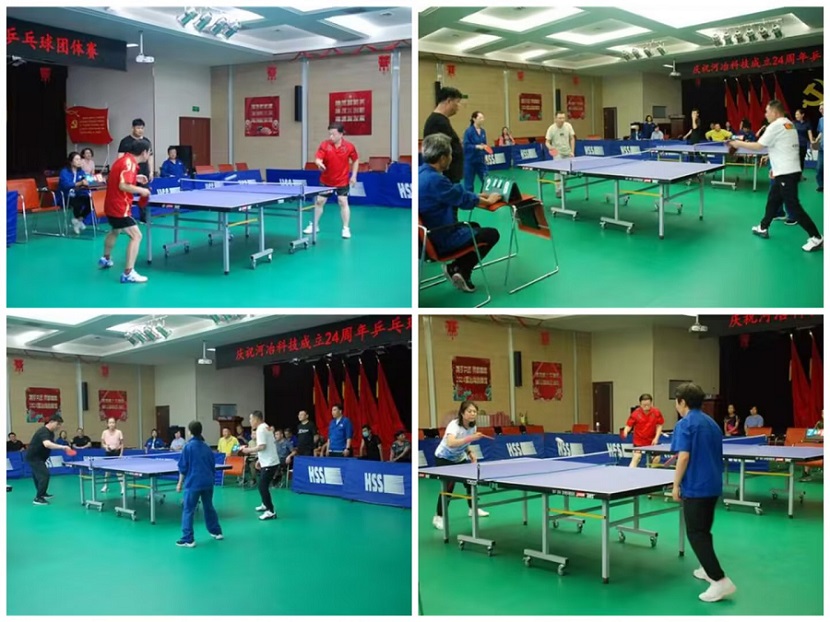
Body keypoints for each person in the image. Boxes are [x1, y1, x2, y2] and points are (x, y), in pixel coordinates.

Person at [670, 382, 736, 602]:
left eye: (676, 401)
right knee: (704, 531)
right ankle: (705, 568)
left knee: (696, 533)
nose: (676, 405)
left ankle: (719, 581)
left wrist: (675, 485)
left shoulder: (684, 424)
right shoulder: (712, 423)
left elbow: (684, 457)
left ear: (682, 402)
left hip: (696, 487)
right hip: (713, 485)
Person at [728, 100, 823, 252]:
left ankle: (816, 237)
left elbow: (758, 146)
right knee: (773, 200)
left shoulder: (775, 125)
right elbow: (783, 146)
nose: (765, 114)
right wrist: (773, 164)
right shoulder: (789, 124)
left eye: (767, 111)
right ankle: (763, 227)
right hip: (787, 170)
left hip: (786, 173)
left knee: (793, 206)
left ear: (775, 112)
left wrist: (738, 144)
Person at [418, 133, 502, 294]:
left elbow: (452, 193)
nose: (452, 158)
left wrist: (477, 195)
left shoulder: (420, 173)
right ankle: (461, 269)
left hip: (426, 238)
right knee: (491, 234)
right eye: (450, 154)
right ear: (443, 158)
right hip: (440, 239)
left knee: (475, 226)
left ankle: (457, 268)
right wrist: (489, 201)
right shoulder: (436, 180)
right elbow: (462, 200)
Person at [432, 401, 494, 530]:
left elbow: (465, 443)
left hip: (459, 457)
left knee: (470, 482)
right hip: (444, 458)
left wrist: (470, 452)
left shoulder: (472, 427)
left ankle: (473, 509)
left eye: (474, 411)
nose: (473, 414)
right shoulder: (454, 425)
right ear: (462, 413)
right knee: (448, 488)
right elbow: (451, 443)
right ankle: (439, 517)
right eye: (469, 411)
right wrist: (471, 438)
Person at [99, 139, 153, 282]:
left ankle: (106, 259)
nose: (149, 155)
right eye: (149, 152)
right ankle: (128, 273)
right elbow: (123, 186)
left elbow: (118, 178)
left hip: (110, 205)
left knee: (115, 230)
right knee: (137, 236)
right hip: (120, 207)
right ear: (144, 152)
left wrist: (136, 177)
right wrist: (142, 190)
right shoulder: (130, 164)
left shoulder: (123, 160)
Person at [302, 123, 359, 239]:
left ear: (341, 134)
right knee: (319, 202)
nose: (331, 137)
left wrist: (354, 176)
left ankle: (346, 228)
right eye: (329, 134)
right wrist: (319, 163)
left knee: (343, 202)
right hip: (326, 180)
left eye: (333, 134)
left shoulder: (349, 147)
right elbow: (318, 159)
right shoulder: (325, 145)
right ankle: (314, 226)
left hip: (342, 180)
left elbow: (355, 160)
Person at [176, 420, 224, 547]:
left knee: (188, 510)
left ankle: (188, 539)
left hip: (193, 483)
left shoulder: (188, 447)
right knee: (209, 507)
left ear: (189, 432)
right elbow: (212, 466)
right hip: (208, 482)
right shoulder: (207, 447)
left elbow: (183, 467)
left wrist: (179, 483)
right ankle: (217, 532)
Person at [240, 411, 279, 520]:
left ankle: (270, 511)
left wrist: (248, 450)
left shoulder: (260, 429)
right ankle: (265, 504)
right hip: (268, 461)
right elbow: (268, 446)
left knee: (262, 486)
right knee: (262, 485)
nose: (250, 421)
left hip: (270, 463)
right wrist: (259, 460)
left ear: (256, 419)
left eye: (251, 419)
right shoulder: (266, 426)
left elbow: (262, 446)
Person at [26, 415, 73, 504]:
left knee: (37, 476)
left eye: (60, 424)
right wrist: (63, 447)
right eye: (58, 424)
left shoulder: (51, 433)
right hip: (34, 457)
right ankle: (38, 498)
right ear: (51, 422)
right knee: (44, 475)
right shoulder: (43, 431)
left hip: (40, 457)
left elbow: (51, 444)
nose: (59, 426)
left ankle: (42, 493)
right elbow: (47, 444)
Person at [423, 86, 464, 186]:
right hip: (445, 178)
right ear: (449, 101)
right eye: (457, 102)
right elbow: (437, 151)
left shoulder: (441, 121)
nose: (459, 106)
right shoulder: (437, 122)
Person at [117, 118, 153, 221]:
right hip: (129, 173)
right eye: (138, 128)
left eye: (142, 128)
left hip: (143, 173)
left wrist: (151, 171)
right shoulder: (125, 142)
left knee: (144, 196)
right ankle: (126, 216)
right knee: (128, 194)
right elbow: (120, 158)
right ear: (133, 128)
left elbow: (150, 157)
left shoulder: (147, 141)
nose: (140, 130)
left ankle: (144, 218)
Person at [622, 393, 664, 467]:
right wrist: (625, 431)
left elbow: (659, 425)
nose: (646, 406)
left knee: (657, 458)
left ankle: (651, 472)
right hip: (639, 441)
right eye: (644, 405)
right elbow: (629, 425)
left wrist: (656, 438)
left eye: (648, 404)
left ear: (651, 403)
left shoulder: (656, 412)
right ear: (640, 404)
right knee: (636, 457)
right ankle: (629, 472)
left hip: (651, 441)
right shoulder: (635, 413)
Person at [59, 151, 93, 235]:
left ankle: (78, 221)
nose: (79, 161)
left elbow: (86, 179)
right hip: (65, 196)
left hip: (78, 194)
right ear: (71, 161)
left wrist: (89, 181)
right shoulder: (64, 172)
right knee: (77, 204)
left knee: (91, 202)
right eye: (77, 159)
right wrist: (80, 183)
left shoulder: (81, 171)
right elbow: (66, 185)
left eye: (80, 159)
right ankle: (78, 222)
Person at [545, 111, 576, 197]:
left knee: (567, 172)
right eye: (560, 118)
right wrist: (550, 147)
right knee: (558, 172)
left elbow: (572, 139)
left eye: (563, 118)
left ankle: (563, 187)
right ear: (555, 119)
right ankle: (558, 190)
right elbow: (547, 142)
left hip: (567, 152)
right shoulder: (551, 128)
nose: (562, 120)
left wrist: (572, 151)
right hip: (557, 153)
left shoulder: (568, 126)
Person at [462, 111, 489, 192]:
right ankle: (469, 198)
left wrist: (485, 153)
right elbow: (466, 146)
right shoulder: (468, 131)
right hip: (470, 161)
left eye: (483, 118)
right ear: (474, 119)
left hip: (480, 161)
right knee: (469, 185)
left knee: (486, 180)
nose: (482, 119)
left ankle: (485, 196)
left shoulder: (483, 131)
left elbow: (485, 145)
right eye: (480, 118)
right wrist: (476, 146)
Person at [100, 417, 125, 493]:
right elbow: (102, 443)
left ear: (115, 424)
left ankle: (122, 487)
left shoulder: (119, 432)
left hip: (116, 452)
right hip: (108, 453)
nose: (111, 424)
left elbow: (122, 444)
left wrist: (121, 454)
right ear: (108, 424)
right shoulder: (104, 432)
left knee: (118, 472)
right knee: (107, 472)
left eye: (113, 422)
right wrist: (105, 447)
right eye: (110, 422)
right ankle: (105, 486)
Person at [793, 109, 812, 178]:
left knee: (801, 160)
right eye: (795, 114)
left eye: (798, 114)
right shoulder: (793, 123)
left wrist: (812, 142)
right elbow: (786, 130)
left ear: (802, 115)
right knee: (794, 160)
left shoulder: (807, 123)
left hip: (803, 145)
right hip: (794, 145)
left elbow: (809, 133)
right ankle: (793, 175)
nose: (796, 116)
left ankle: (800, 175)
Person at [809, 102, 823, 192]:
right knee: (819, 168)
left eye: (822, 108)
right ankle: (821, 185)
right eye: (820, 108)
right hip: (822, 148)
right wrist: (816, 140)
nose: (820, 110)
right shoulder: (821, 120)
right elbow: (821, 132)